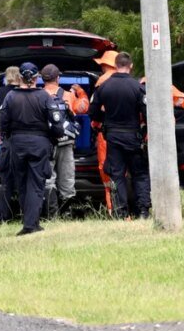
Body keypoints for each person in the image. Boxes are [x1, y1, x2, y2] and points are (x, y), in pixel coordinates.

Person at [90, 52, 150, 219]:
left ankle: (120, 211)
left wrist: (106, 120)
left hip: (113, 137)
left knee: (117, 175)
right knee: (140, 174)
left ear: (115, 66)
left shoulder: (104, 87)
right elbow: (147, 113)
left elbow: (92, 113)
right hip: (133, 137)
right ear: (130, 66)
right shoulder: (138, 87)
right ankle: (143, 210)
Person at [0, 62, 53, 235]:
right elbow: (56, 123)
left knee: (21, 184)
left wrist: (8, 137)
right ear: (36, 78)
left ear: (20, 77)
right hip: (40, 143)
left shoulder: (10, 97)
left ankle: (28, 222)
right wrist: (54, 138)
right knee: (36, 183)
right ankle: (31, 224)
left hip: (17, 144)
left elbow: (2, 123)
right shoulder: (44, 96)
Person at [41, 64, 88, 216]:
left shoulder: (38, 96)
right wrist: (81, 94)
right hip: (66, 143)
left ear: (42, 79)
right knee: (67, 179)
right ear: (58, 78)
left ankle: (51, 215)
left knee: (48, 179)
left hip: (45, 144)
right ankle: (66, 213)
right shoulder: (68, 95)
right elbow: (83, 109)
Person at [0, 66, 20, 221]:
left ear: (6, 77)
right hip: (22, 139)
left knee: (5, 179)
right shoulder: (25, 94)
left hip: (1, 137)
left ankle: (2, 215)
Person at [93, 50, 120, 213]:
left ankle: (112, 207)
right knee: (120, 169)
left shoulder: (102, 82)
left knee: (106, 169)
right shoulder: (128, 81)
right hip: (125, 132)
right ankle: (121, 207)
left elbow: (95, 109)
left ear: (106, 65)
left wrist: (95, 125)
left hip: (105, 132)